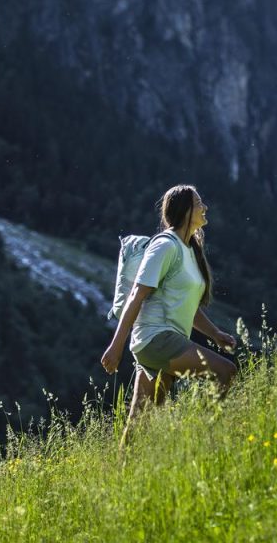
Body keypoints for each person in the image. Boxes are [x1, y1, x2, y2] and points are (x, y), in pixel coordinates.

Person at [100, 185, 236, 442]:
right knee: (224, 371)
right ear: (185, 210)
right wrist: (116, 346)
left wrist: (215, 334)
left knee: (139, 424)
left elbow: (186, 306)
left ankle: (122, 474)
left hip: (162, 340)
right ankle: (203, 442)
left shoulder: (187, 249)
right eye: (199, 203)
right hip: (156, 339)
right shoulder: (165, 246)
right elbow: (136, 296)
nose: (205, 208)